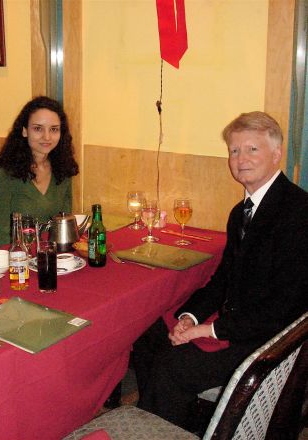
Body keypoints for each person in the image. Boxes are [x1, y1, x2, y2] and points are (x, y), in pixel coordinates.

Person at [131, 111, 308, 432]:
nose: (241, 159)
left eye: (252, 149)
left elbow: (283, 309)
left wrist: (209, 331)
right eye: (234, 151)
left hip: (266, 344)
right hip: (241, 324)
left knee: (171, 365)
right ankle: (169, 423)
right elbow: (223, 281)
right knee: (148, 335)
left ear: (277, 154)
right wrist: (191, 317)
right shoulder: (241, 211)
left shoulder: (298, 212)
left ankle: (164, 419)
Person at [0, 96, 79, 246]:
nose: (47, 137)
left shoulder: (63, 169)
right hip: (20, 258)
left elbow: (65, 225)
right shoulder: (8, 172)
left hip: (54, 255)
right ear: (25, 131)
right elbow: (1, 232)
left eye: (54, 129)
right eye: (38, 128)